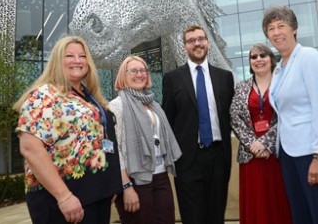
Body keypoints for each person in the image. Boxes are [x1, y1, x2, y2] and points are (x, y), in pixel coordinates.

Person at [14, 36, 122, 224]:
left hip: (95, 196)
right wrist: (63, 196)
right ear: (57, 60)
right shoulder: (44, 95)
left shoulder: (89, 97)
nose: (77, 60)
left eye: (82, 56)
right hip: (64, 201)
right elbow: (30, 148)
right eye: (69, 56)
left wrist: (108, 185)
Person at [263, 6, 318, 224]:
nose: (276, 32)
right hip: (291, 155)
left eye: (281, 25)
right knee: (302, 217)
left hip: (314, 154)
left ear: (294, 29)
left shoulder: (308, 57)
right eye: (271, 28)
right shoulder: (280, 68)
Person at [162, 25, 235, 224]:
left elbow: (231, 116)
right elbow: (168, 120)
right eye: (191, 40)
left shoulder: (225, 77)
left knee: (216, 216)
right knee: (192, 217)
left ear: (208, 43)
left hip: (219, 157)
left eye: (201, 39)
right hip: (188, 160)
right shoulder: (172, 78)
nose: (197, 43)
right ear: (184, 46)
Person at [108, 56, 182, 224]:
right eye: (133, 71)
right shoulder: (116, 106)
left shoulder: (154, 104)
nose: (139, 74)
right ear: (123, 75)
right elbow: (114, 149)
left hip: (160, 175)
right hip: (134, 179)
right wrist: (126, 186)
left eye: (143, 70)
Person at [230, 43, 292, 224]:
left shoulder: (283, 82)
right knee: (256, 202)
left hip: (278, 153)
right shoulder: (242, 87)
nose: (258, 60)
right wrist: (252, 144)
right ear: (250, 63)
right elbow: (234, 117)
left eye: (262, 55)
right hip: (251, 156)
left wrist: (265, 142)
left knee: (279, 200)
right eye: (253, 57)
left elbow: (288, 114)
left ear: (271, 59)